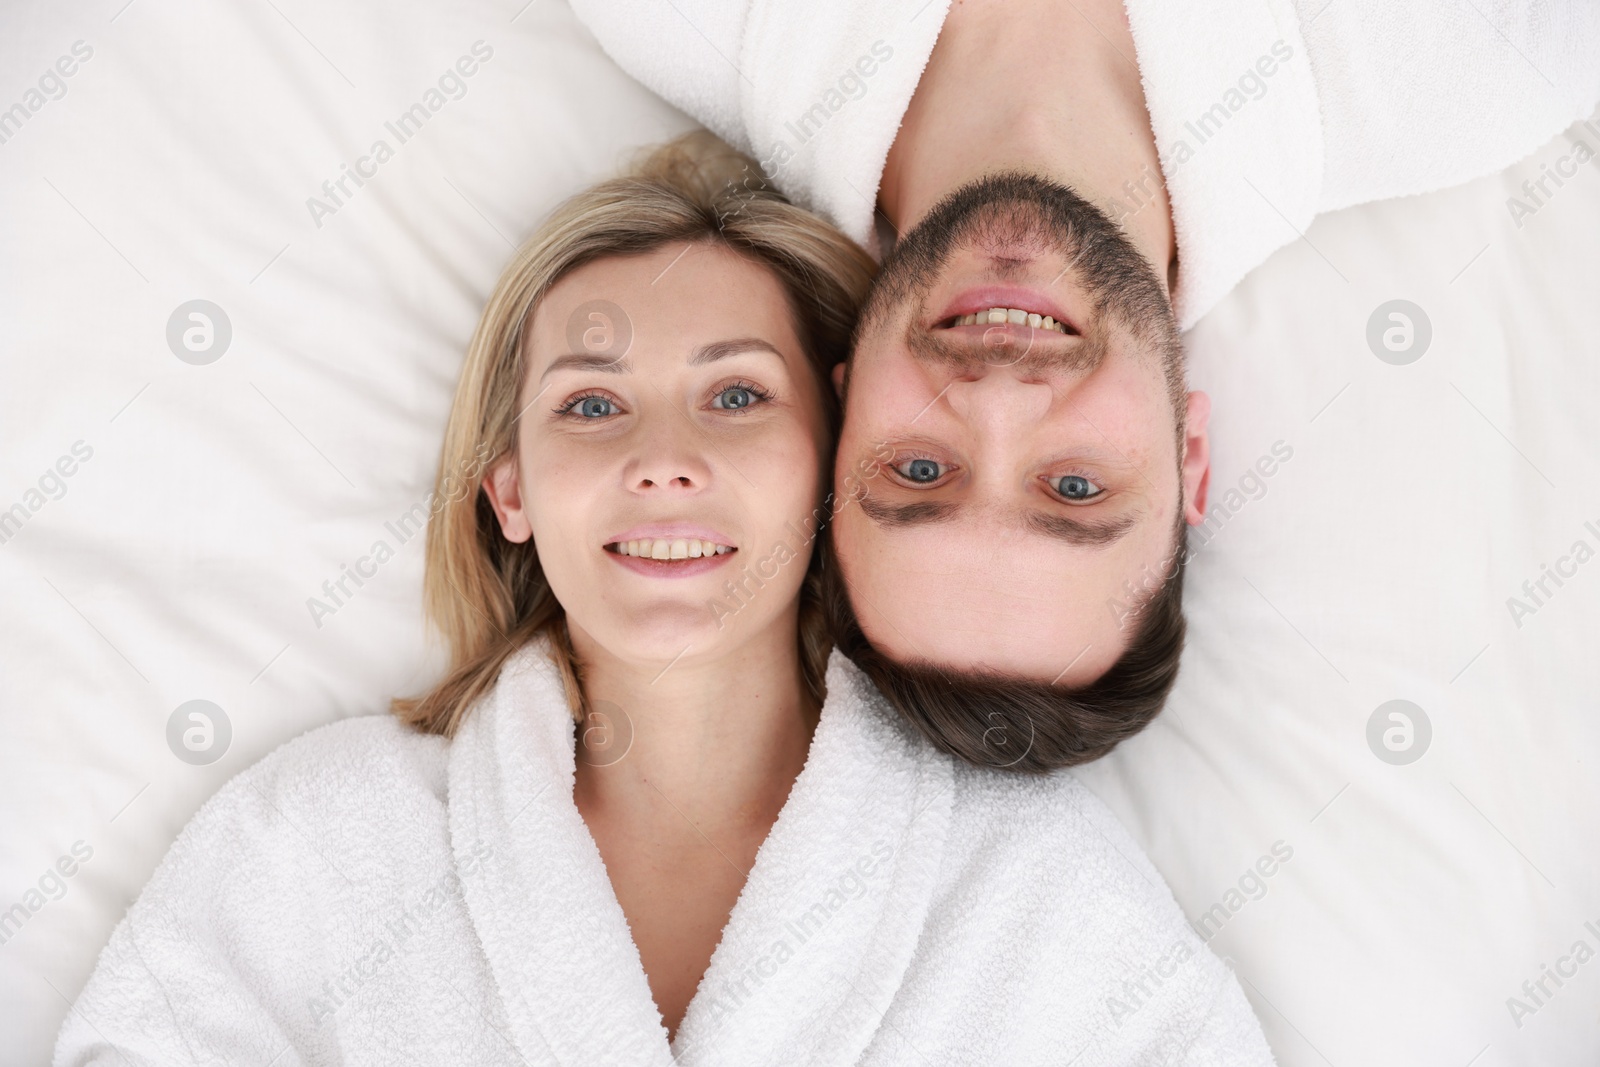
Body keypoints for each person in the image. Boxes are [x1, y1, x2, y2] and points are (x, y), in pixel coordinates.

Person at [53, 134, 1275, 1065]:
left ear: (831, 460)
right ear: (512, 489)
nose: (661, 457)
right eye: (590, 403)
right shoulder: (314, 846)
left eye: (737, 395)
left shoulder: (1033, 885)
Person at [569, 0, 1600, 768]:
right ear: (1189, 457)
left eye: (920, 468)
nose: (998, 397)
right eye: (1074, 489)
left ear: (838, 412)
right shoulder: (1483, 58)